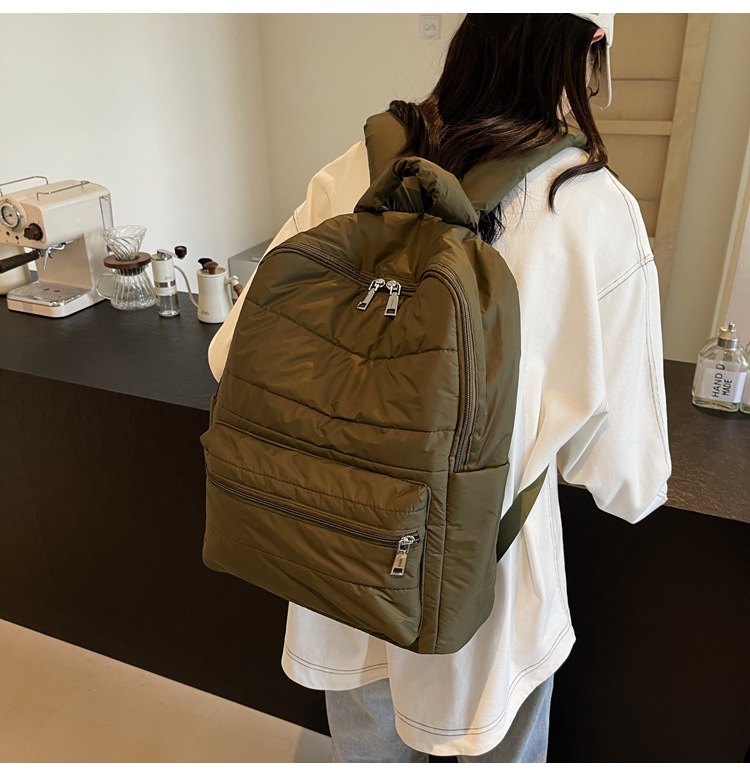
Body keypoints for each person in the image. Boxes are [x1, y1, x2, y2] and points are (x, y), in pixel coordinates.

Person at [208, 13, 671, 763]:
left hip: (337, 560)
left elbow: (229, 355)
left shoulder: (356, 167)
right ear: (590, 48)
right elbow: (627, 476)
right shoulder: (589, 204)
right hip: (483, 592)